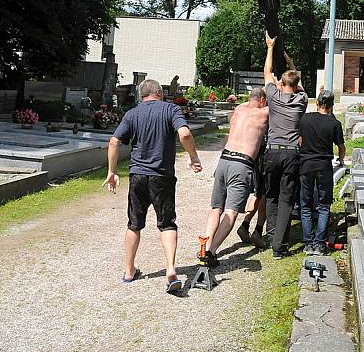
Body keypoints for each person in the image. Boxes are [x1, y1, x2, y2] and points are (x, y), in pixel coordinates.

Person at [104, 78, 202, 294]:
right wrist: (193, 156)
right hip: (162, 176)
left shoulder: (132, 114)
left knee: (134, 224)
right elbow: (184, 133)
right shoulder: (170, 109)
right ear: (159, 92)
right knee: (167, 223)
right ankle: (170, 270)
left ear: (141, 95)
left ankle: (129, 271)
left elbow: (113, 142)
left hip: (137, 175)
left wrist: (112, 172)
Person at [202, 88, 269, 265]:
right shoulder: (263, 113)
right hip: (242, 163)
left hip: (224, 159)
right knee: (231, 211)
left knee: (216, 208)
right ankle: (212, 251)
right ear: (262, 100)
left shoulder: (239, 109)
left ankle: (205, 247)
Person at [263, 32, 308, 259]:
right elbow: (297, 83)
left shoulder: (273, 96)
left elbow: (267, 73)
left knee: (271, 195)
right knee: (286, 198)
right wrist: (291, 63)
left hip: (271, 151)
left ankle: (272, 236)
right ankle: (279, 246)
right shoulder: (301, 100)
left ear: (281, 84)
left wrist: (270, 47)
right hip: (291, 153)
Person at [298, 90, 345, 255]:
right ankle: (319, 243)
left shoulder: (305, 119)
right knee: (324, 206)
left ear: (317, 103)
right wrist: (341, 160)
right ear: (331, 106)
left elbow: (299, 141)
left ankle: (308, 243)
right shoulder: (334, 124)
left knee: (306, 205)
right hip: (324, 165)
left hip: (306, 164)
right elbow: (341, 147)